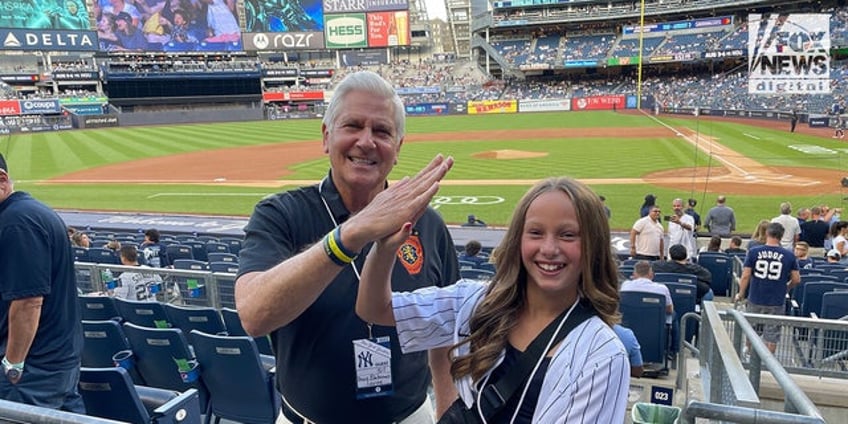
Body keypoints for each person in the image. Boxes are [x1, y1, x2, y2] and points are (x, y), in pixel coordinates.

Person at [235, 71, 459, 424]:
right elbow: (253, 315)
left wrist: (449, 412)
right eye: (352, 125)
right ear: (327, 137)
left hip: (411, 417)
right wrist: (348, 236)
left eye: (382, 131)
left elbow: (446, 334)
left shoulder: (427, 224)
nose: (367, 141)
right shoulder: (281, 213)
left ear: (398, 148)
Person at [356, 177, 630, 422]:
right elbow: (375, 309)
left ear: (593, 245)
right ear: (517, 239)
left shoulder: (603, 354)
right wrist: (385, 248)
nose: (549, 249)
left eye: (568, 235)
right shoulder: (475, 300)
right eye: (535, 232)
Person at [0, 153, 85, 412]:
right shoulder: (24, 213)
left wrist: (13, 365)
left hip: (34, 369)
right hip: (52, 362)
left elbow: (28, 302)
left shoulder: (17, 222)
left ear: (2, 180)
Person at [734, 223, 800, 353]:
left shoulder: (754, 252)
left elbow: (746, 275)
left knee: (751, 330)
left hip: (756, 297)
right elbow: (797, 279)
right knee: (772, 335)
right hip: (776, 300)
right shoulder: (789, 255)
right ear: (781, 236)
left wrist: (741, 293)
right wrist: (787, 287)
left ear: (767, 234)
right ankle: (769, 363)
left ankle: (749, 355)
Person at [622, 261, 674, 325]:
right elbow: (669, 310)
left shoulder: (625, 286)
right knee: (673, 314)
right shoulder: (662, 288)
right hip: (655, 326)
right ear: (651, 274)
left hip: (630, 324)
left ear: (634, 274)